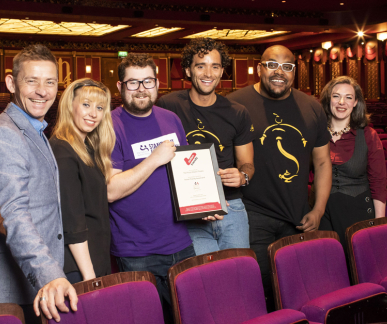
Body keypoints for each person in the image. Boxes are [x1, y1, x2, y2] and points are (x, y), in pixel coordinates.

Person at [0, 44, 77, 324]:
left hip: (30, 286)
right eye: (32, 81)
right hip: (4, 290)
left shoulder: (34, 128)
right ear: (11, 83)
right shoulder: (2, 135)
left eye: (50, 82)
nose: (42, 91)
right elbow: (12, 214)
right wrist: (50, 275)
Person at [227, 45, 332, 311]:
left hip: (298, 217)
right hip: (252, 218)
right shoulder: (235, 104)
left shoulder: (312, 107)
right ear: (259, 68)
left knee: (298, 291)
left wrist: (318, 210)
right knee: (258, 292)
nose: (279, 72)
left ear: (295, 72)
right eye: (272, 65)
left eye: (287, 66)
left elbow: (322, 162)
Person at [108, 53, 199, 323]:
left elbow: (184, 171)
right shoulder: (109, 125)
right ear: (120, 87)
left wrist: (203, 199)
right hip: (137, 249)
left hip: (181, 241)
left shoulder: (171, 119)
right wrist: (153, 160)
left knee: (189, 316)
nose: (141, 89)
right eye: (133, 82)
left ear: (158, 84)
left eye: (147, 81)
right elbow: (110, 190)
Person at [157, 38, 254, 255]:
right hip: (189, 212)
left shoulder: (237, 112)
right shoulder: (168, 106)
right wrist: (197, 205)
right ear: (188, 71)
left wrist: (242, 176)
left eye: (215, 67)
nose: (208, 73)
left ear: (222, 72)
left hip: (232, 207)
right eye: (200, 66)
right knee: (202, 282)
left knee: (239, 276)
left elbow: (248, 164)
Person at [49, 78, 115, 284]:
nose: (93, 114)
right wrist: (89, 278)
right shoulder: (62, 150)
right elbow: (73, 224)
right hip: (78, 267)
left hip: (95, 256)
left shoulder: (88, 148)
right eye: (86, 104)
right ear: (70, 106)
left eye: (100, 107)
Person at [318, 76, 386, 245]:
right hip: (322, 215)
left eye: (348, 97)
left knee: (356, 267)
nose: (342, 102)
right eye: (336, 96)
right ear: (328, 99)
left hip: (357, 213)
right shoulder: (316, 134)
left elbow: (378, 182)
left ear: (356, 102)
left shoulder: (369, 135)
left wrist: (378, 222)